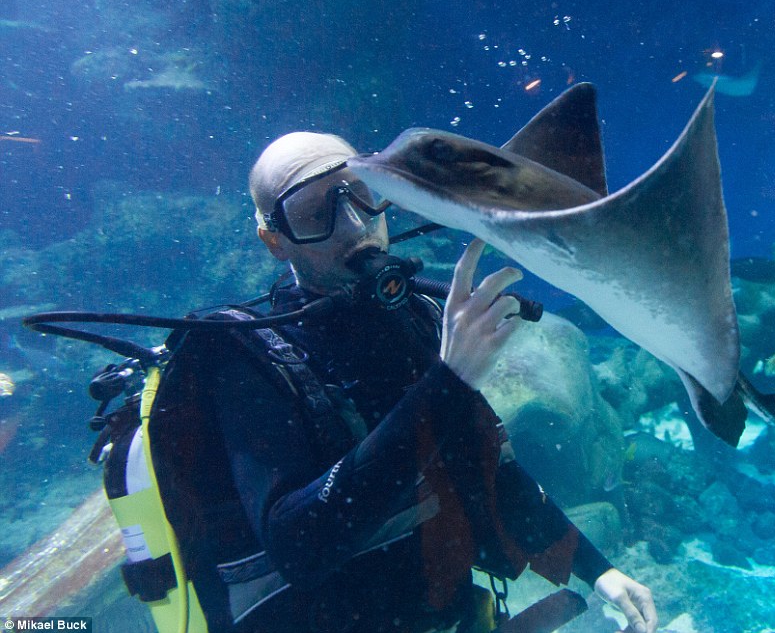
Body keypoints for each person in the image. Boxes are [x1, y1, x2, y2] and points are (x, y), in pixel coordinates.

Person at [155, 131, 658, 633]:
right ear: (274, 240)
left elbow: (488, 471)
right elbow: (298, 546)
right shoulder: (244, 359)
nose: (353, 226)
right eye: (314, 213)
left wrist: (599, 571)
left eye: (363, 195)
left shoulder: (413, 320)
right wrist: (449, 383)